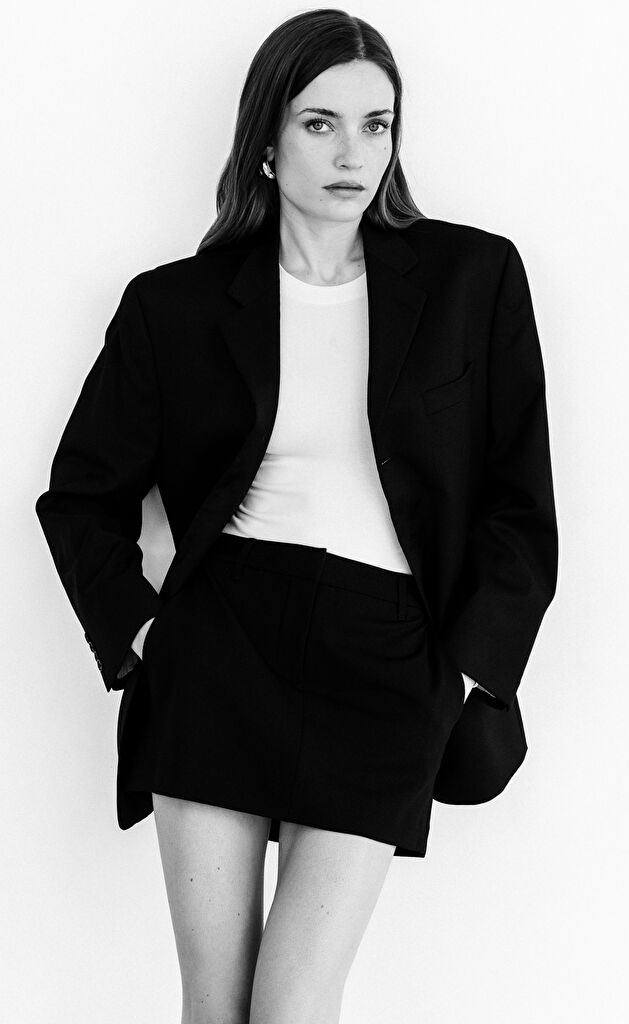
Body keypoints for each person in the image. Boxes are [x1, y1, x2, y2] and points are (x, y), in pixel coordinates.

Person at [35, 9, 558, 1022]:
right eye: (320, 123)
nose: (352, 152)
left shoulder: (473, 279)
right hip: (221, 647)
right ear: (267, 141)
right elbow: (81, 495)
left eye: (375, 124)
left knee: (293, 1004)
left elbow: (519, 504)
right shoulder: (175, 306)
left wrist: (461, 671)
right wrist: (144, 638)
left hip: (389, 656)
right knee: (217, 1004)